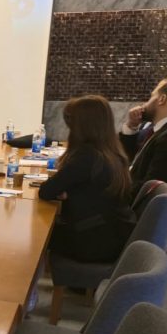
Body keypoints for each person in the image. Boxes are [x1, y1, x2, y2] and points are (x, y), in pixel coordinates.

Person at [40, 95, 136, 264]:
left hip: (92, 241)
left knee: (37, 234)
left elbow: (46, 191)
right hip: (110, 234)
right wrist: (71, 192)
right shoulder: (111, 151)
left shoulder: (87, 156)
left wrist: (67, 192)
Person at [119, 78, 167, 193]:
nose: (144, 104)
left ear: (162, 99)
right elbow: (129, 158)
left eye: (151, 97)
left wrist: (114, 191)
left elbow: (150, 187)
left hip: (136, 201)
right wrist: (132, 125)